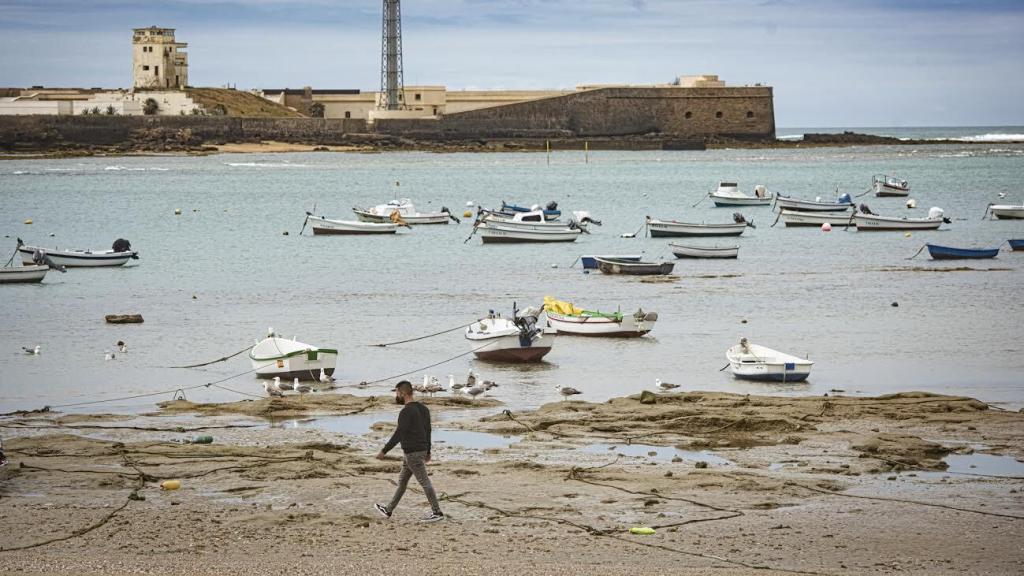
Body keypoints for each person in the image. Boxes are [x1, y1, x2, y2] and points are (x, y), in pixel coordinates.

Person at [374, 380, 444, 523]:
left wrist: (384, 450)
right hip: (417, 451)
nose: (396, 396)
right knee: (402, 482)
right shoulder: (423, 409)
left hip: (413, 453)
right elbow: (428, 430)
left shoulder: (406, 411)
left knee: (424, 482)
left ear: (403, 393)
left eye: (396, 393)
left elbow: (400, 433)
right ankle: (388, 510)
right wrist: (428, 450)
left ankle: (437, 512)